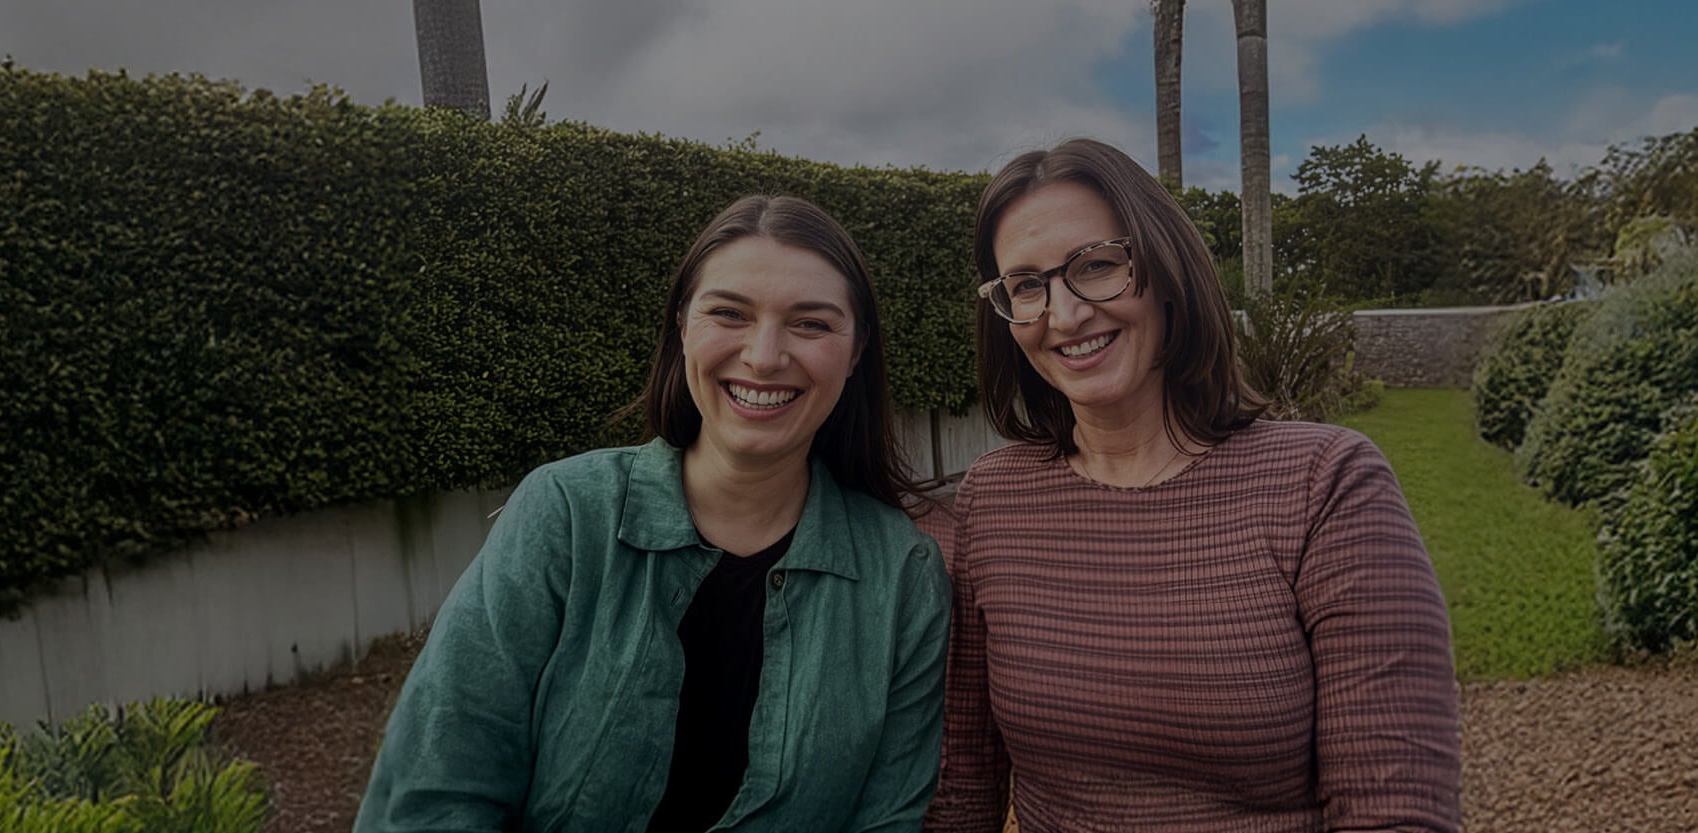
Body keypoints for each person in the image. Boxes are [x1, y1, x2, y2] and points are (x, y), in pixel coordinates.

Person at [354, 195, 950, 833]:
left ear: (856, 352)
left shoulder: (903, 575)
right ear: (682, 327)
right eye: (729, 313)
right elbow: (431, 796)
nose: (764, 355)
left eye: (810, 323)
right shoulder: (565, 514)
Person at [925, 138, 1460, 832]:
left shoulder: (1324, 484)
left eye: (1096, 265)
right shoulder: (994, 500)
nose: (1065, 314)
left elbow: (1396, 810)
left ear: (1167, 270)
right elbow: (963, 786)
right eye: (1027, 285)